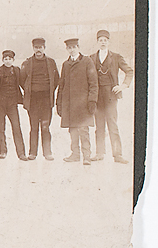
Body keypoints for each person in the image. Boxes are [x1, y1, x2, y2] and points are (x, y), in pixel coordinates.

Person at [90, 30, 133, 164]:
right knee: (99, 126)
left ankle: (117, 154)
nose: (103, 42)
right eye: (100, 40)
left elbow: (129, 71)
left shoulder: (116, 57)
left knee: (112, 125)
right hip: (98, 97)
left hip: (111, 96)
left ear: (108, 42)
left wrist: (123, 86)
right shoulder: (92, 58)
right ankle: (99, 153)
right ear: (97, 42)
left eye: (105, 40)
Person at [57, 38, 99, 166]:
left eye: (74, 47)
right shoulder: (65, 64)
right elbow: (61, 84)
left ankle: (87, 156)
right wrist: (59, 103)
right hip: (69, 104)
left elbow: (93, 83)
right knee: (72, 130)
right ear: (67, 49)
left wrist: (92, 101)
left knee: (83, 130)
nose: (72, 49)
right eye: (69, 48)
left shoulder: (87, 61)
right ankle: (75, 154)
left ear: (78, 47)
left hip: (83, 104)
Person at [20, 37, 60, 161]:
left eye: (40, 47)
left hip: (46, 100)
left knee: (45, 126)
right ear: (33, 48)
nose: (38, 50)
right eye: (36, 47)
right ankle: (33, 153)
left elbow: (56, 79)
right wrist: (31, 91)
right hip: (33, 100)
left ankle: (47, 152)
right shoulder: (27, 63)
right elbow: (22, 80)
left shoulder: (51, 62)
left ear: (44, 48)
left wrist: (47, 91)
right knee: (34, 127)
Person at [0, 50, 27, 161]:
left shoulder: (17, 70)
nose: (8, 61)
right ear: (3, 60)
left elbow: (23, 83)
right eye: (5, 59)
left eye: (10, 59)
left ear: (13, 60)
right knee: (0, 127)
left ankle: (21, 153)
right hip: (0, 103)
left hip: (12, 103)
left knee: (16, 127)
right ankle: (2, 151)